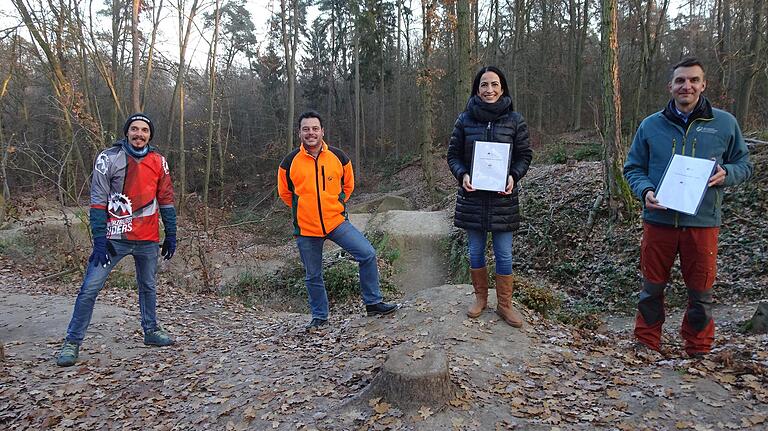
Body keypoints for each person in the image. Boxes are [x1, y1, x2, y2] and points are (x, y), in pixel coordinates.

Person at [624, 57, 753, 358]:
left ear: (703, 85)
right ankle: (646, 343)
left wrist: (727, 174)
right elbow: (632, 168)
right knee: (651, 288)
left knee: (700, 292)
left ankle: (697, 349)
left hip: (703, 221)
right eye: (681, 80)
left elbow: (744, 163)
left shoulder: (724, 123)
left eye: (694, 80)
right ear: (670, 86)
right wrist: (645, 190)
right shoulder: (651, 125)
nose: (687, 86)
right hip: (659, 220)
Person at [56, 113, 178, 367]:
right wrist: (99, 239)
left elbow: (166, 198)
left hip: (147, 238)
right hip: (114, 238)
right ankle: (72, 341)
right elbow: (98, 199)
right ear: (126, 132)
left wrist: (172, 233)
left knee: (148, 287)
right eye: (134, 129)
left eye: (144, 130)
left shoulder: (159, 161)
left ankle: (151, 331)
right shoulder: (108, 158)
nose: (139, 134)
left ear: (150, 135)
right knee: (90, 288)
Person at [277, 110, 398, 330]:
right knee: (313, 275)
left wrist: (334, 206)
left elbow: (348, 186)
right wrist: (305, 210)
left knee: (367, 254)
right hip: (306, 229)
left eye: (315, 128)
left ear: (322, 131)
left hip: (336, 223)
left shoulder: (338, 157)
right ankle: (320, 317)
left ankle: (373, 303)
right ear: (299, 133)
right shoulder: (289, 162)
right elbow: (286, 194)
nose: (311, 133)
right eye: (306, 129)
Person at [447, 66, 533, 327]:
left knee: (504, 254)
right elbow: (453, 156)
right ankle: (480, 299)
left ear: (502, 88)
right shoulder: (464, 120)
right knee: (475, 252)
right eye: (484, 85)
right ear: (477, 89)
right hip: (472, 200)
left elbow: (524, 155)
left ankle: (505, 305)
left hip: (503, 199)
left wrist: (513, 176)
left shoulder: (515, 121)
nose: (489, 90)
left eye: (494, 84)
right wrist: (462, 175)